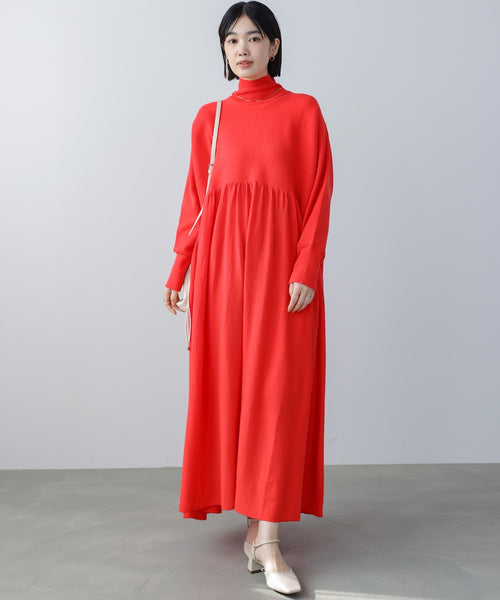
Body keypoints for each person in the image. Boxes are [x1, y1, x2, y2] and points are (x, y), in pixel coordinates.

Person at [163, 1, 333, 594]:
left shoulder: (303, 111)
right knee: (233, 394)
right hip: (219, 274)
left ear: (274, 46)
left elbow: (318, 194)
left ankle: (268, 540)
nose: (242, 49)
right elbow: (196, 201)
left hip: (282, 275)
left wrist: (306, 266)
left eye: (254, 37)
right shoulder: (208, 119)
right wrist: (179, 270)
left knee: (276, 395)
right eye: (232, 39)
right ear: (223, 49)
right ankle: (258, 532)